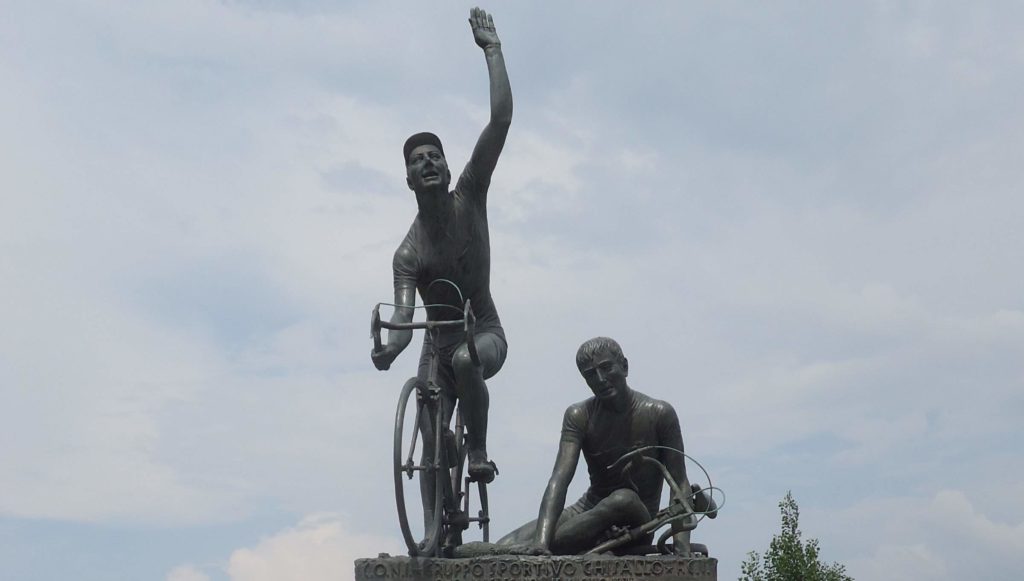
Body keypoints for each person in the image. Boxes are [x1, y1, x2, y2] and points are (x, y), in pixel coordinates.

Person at [371, 8, 511, 487]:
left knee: (468, 360)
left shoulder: (470, 195)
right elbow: (406, 326)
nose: (427, 164)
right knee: (428, 436)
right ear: (408, 179)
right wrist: (388, 349)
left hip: (481, 330)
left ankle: (477, 448)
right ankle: (433, 538)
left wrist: (492, 49)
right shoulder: (407, 254)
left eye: (435, 157)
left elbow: (500, 120)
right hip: (435, 343)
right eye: (417, 161)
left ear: (449, 171)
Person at [498, 337, 716, 556]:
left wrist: (682, 550)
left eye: (606, 368)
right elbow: (560, 478)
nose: (600, 379)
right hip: (590, 507)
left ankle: (548, 546)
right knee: (507, 545)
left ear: (625, 367)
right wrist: (541, 541)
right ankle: (538, 547)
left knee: (622, 498)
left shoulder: (659, 413)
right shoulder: (579, 415)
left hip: (635, 516)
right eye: (590, 374)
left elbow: (679, 482)